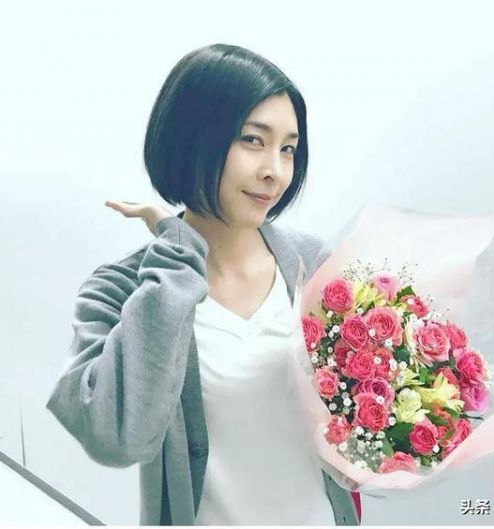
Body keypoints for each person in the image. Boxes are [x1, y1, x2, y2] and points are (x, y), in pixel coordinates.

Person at [46, 43, 361, 526]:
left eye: (287, 148)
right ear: (194, 138)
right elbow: (116, 439)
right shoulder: (122, 288)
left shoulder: (315, 267)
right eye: (253, 140)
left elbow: (361, 423)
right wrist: (176, 254)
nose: (274, 171)